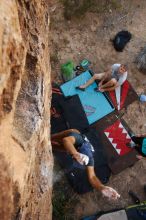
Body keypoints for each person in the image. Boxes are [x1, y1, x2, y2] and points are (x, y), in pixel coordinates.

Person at [51, 129, 120, 200]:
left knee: (55, 147)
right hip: (74, 134)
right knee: (55, 137)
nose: (80, 161)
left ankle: (51, 145)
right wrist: (75, 154)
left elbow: (92, 177)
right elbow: (66, 140)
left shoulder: (90, 159)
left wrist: (101, 187)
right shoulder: (78, 139)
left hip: (80, 150)